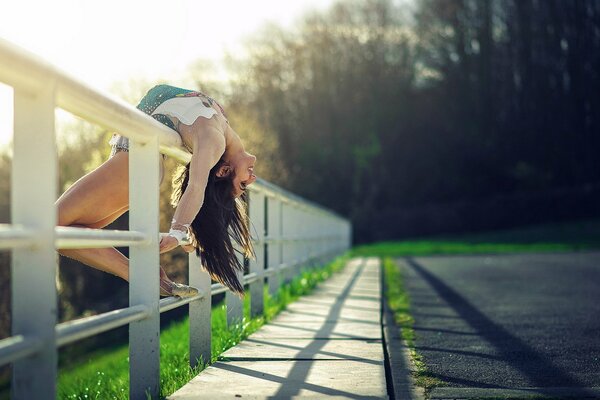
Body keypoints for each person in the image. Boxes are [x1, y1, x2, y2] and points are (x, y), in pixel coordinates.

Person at [56, 84, 257, 297]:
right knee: (72, 230)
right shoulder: (220, 123)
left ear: (224, 171)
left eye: (243, 183)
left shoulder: (214, 142)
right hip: (135, 165)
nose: (252, 178)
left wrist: (178, 231)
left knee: (51, 225)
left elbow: (196, 186)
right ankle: (144, 274)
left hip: (133, 165)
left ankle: (140, 275)